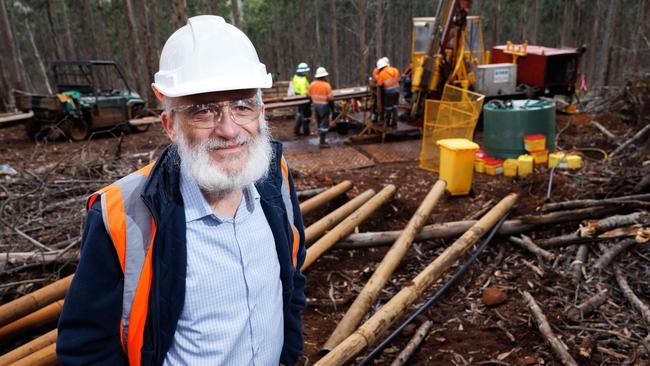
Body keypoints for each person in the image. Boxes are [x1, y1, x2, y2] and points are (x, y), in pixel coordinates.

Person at [56, 15, 307, 366]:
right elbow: (86, 348)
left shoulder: (274, 178)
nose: (230, 129)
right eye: (204, 110)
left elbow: (292, 279)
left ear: (261, 111)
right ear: (170, 125)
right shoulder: (123, 215)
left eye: (242, 105)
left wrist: (290, 353)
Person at [307, 67, 334, 148]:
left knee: (319, 122)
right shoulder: (326, 85)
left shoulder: (312, 84)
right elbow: (330, 99)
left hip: (315, 106)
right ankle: (322, 142)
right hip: (324, 106)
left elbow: (308, 95)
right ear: (324, 76)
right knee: (324, 124)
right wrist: (332, 109)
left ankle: (321, 139)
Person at [376, 57, 400, 128]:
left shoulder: (382, 74)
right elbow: (398, 79)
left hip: (389, 93)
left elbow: (379, 85)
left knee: (388, 108)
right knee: (395, 107)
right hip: (397, 91)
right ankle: (394, 124)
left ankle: (387, 124)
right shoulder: (395, 70)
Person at [289, 62, 312, 135]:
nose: (307, 72)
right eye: (306, 71)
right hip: (303, 99)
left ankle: (297, 130)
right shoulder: (301, 80)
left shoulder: (296, 77)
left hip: (299, 98)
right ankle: (306, 131)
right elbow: (304, 92)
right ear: (303, 71)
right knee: (306, 115)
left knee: (300, 114)